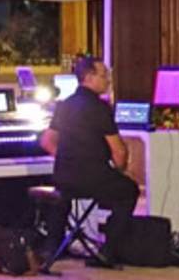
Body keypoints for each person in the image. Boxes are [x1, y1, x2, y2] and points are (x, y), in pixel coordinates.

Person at [44, 55, 139, 233]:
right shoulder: (100, 108)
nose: (108, 81)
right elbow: (119, 152)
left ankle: (53, 243)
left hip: (63, 177)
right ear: (88, 77)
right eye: (104, 76)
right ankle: (112, 245)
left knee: (64, 197)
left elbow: (47, 141)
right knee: (129, 190)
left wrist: (69, 158)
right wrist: (122, 169)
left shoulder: (64, 105)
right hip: (93, 178)